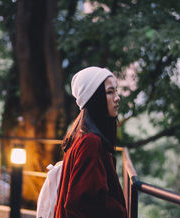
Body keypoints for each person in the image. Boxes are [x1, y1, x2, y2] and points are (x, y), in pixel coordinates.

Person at [54, 66, 127, 218]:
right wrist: (119, 210)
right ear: (94, 98)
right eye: (110, 92)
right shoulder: (90, 142)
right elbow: (84, 203)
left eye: (116, 91)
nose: (117, 97)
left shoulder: (82, 135)